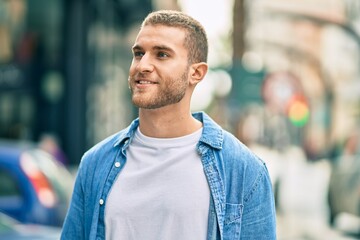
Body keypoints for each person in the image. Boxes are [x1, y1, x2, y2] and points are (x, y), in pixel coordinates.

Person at [61, 10, 276, 240]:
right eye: (138, 53)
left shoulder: (244, 170)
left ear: (196, 73)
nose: (142, 65)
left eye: (161, 55)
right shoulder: (95, 164)